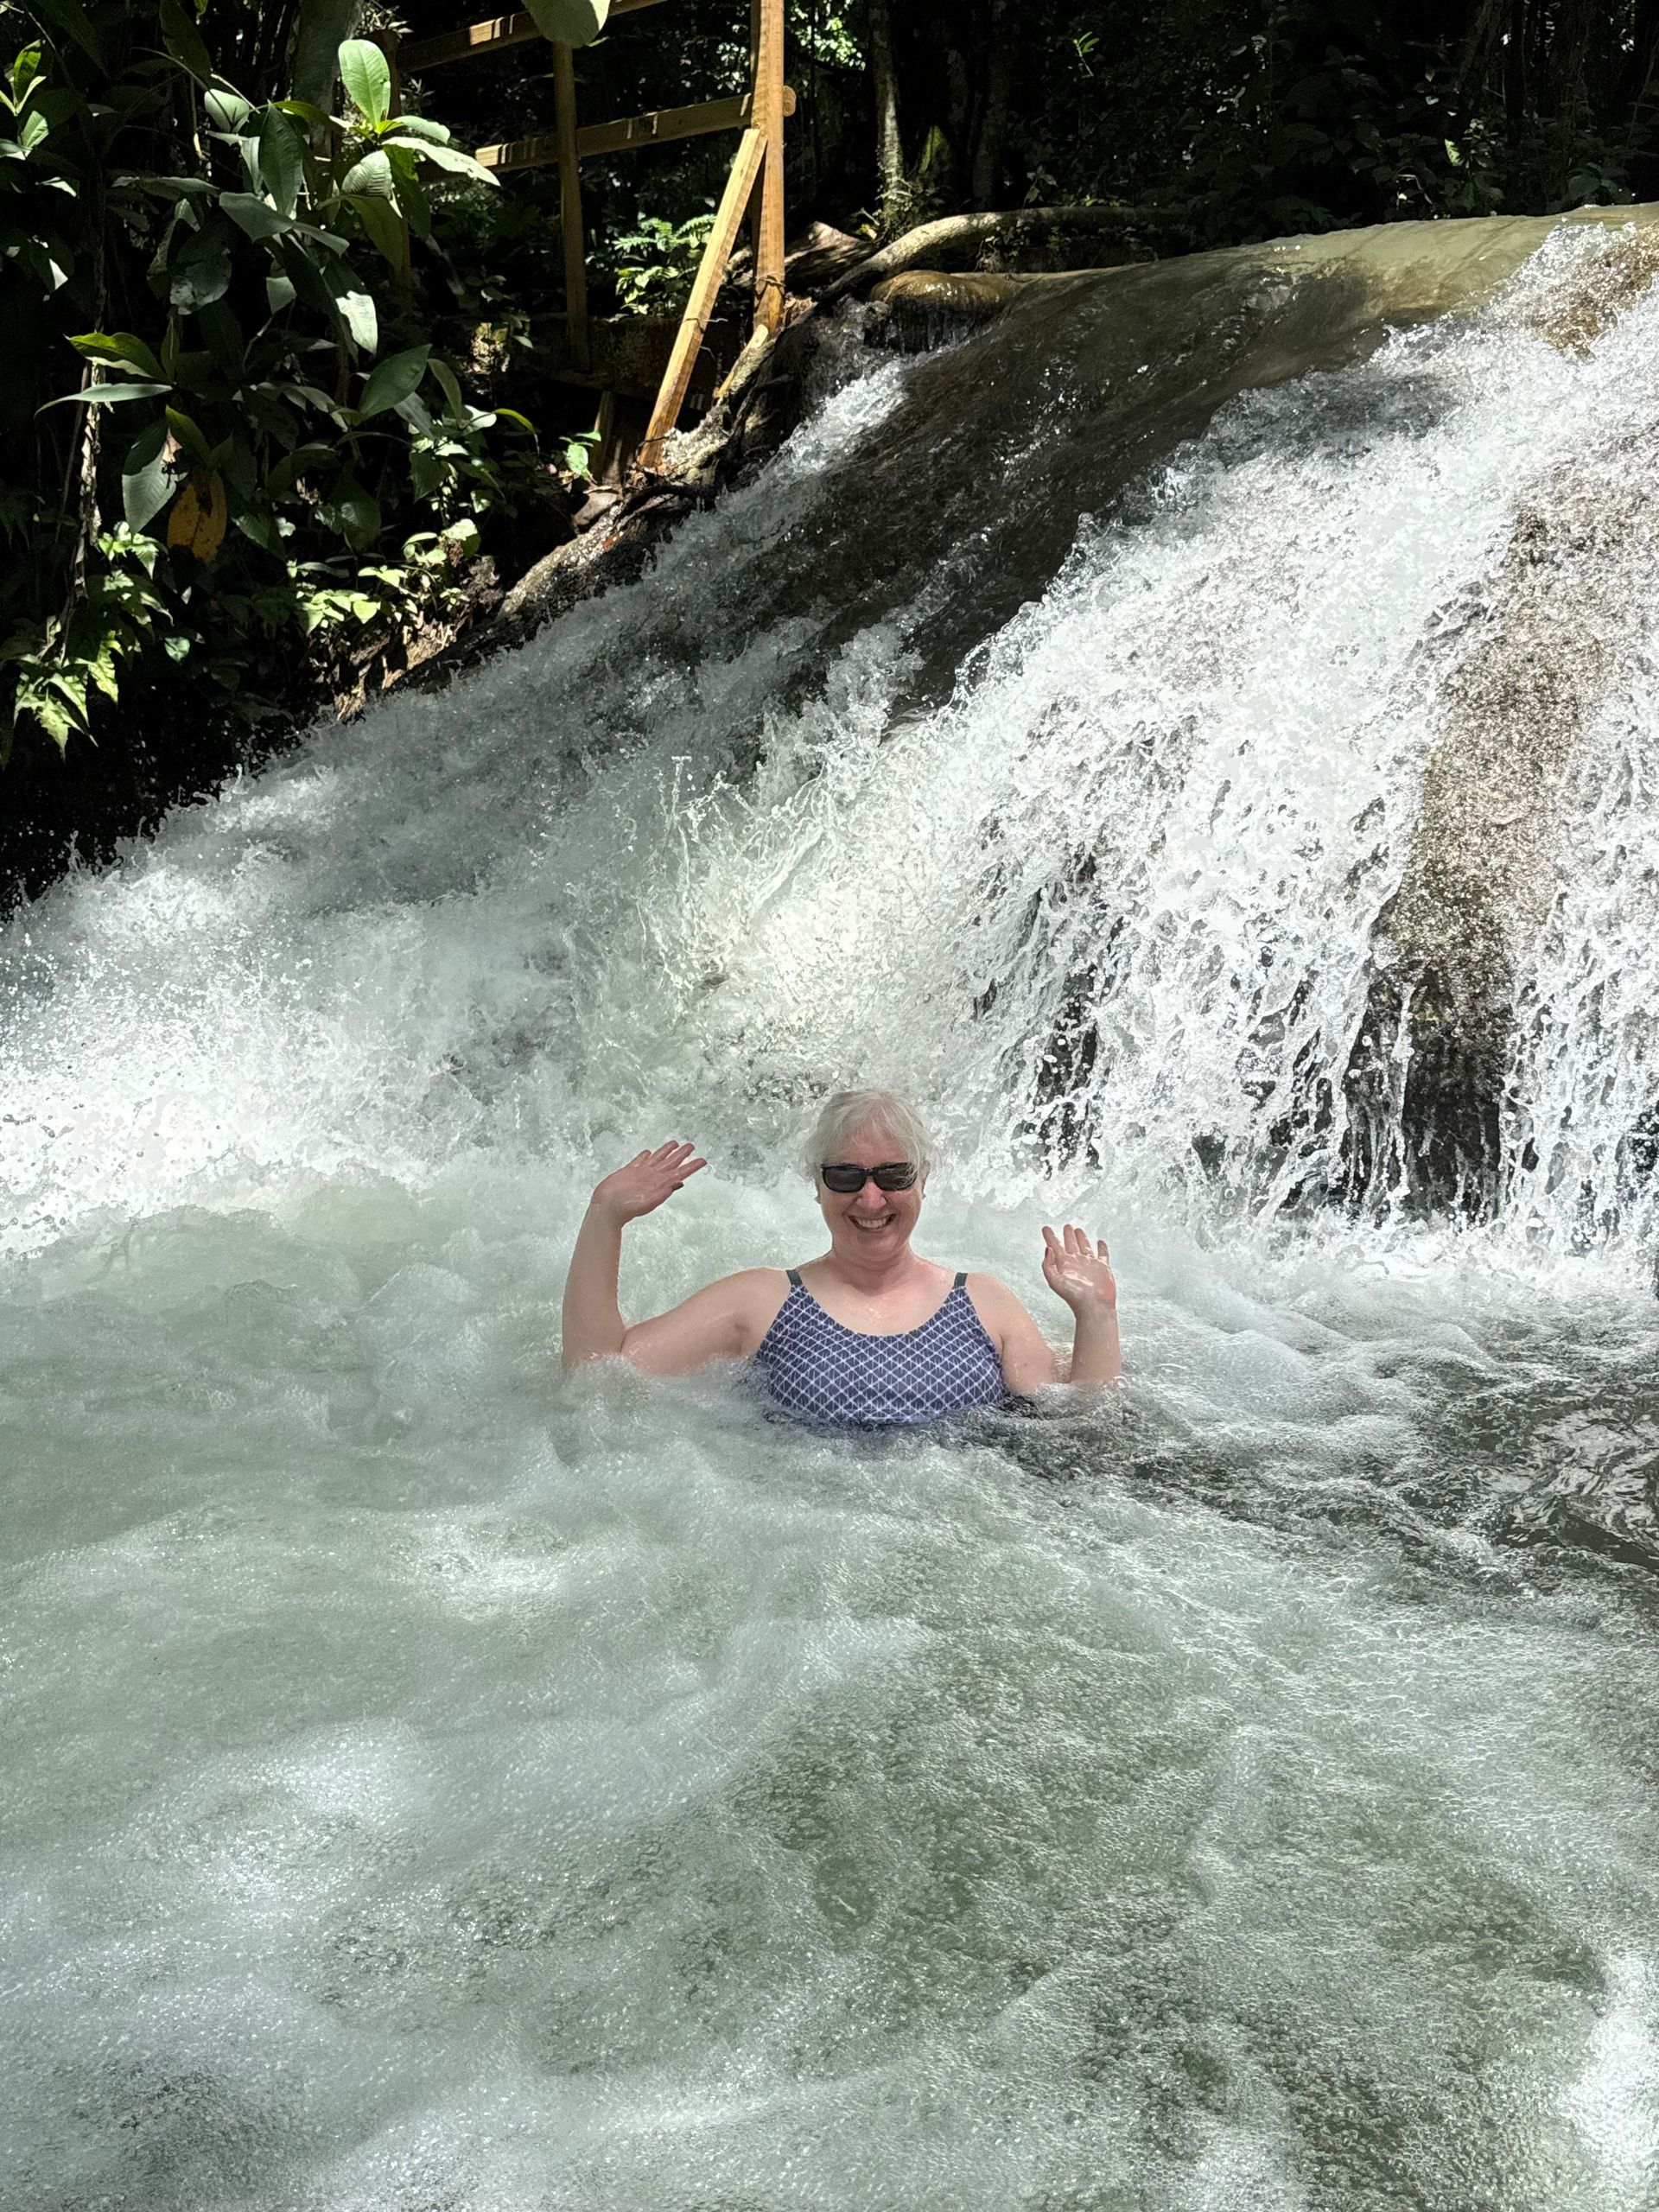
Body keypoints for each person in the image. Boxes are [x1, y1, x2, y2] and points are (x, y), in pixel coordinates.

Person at [560, 1088, 1121, 1428]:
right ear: (818, 1186)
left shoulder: (984, 1303)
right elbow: (597, 1375)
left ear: (922, 1181)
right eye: (846, 1176)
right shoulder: (761, 1302)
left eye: (893, 1176)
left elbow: (1074, 1425)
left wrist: (1097, 1316)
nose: (870, 1198)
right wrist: (605, 1217)